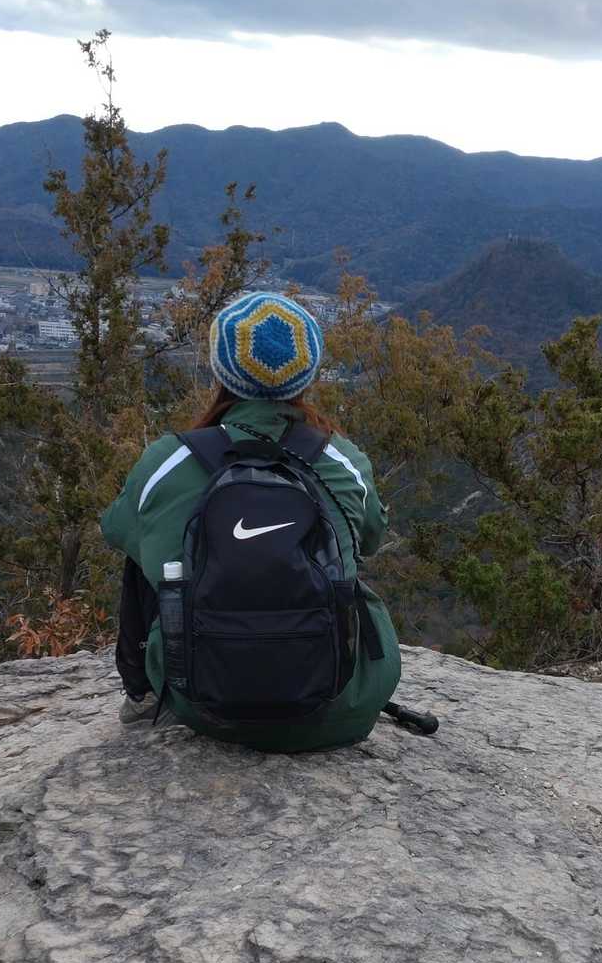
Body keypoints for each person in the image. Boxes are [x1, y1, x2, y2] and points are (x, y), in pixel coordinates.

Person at [100, 291, 401, 751]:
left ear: (220, 370)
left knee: (148, 546)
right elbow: (373, 536)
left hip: (199, 704)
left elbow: (115, 529)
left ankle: (143, 695)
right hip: (342, 707)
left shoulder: (169, 460)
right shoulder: (343, 460)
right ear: (308, 373)